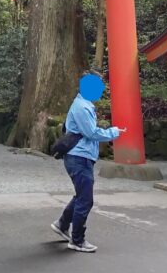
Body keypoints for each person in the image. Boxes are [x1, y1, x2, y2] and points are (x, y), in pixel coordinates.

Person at [50, 73, 124, 253]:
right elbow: (91, 132)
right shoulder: (82, 107)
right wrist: (113, 132)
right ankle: (77, 240)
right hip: (79, 157)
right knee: (86, 199)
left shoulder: (82, 105)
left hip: (80, 156)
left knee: (81, 195)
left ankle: (62, 224)